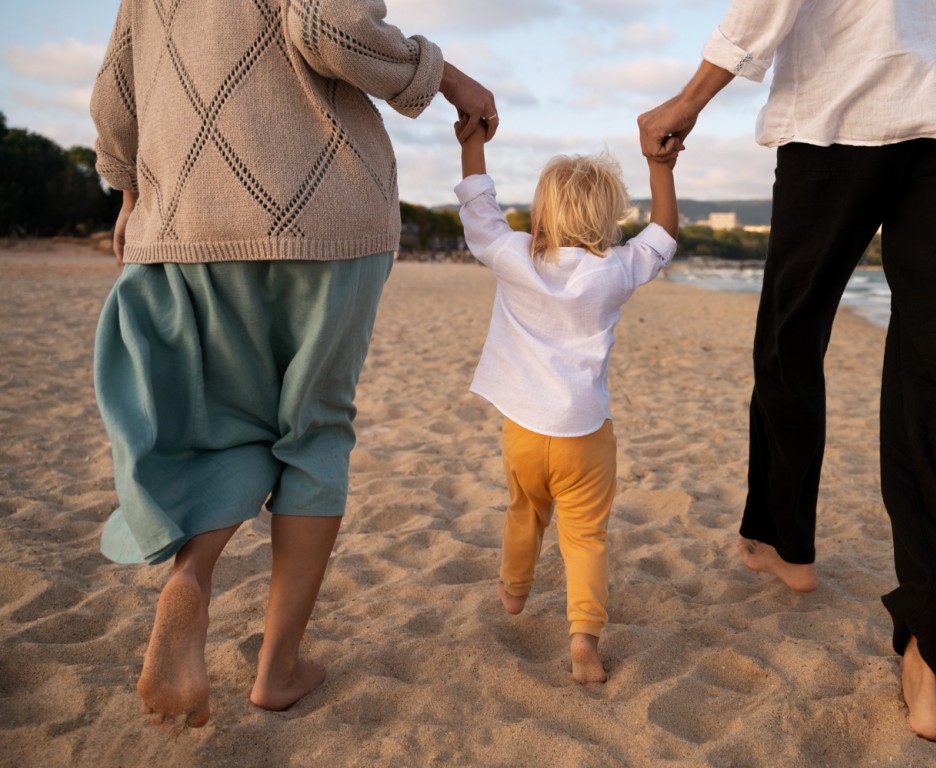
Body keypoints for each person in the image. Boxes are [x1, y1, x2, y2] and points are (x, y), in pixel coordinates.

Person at [90, 0, 497, 728]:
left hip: (188, 216)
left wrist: (127, 191)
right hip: (325, 214)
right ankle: (276, 670)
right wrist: (450, 79)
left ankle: (193, 576)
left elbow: (116, 88)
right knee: (312, 433)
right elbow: (330, 27)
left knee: (235, 429)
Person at [638, 0, 936, 741]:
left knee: (793, 333)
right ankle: (932, 663)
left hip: (842, 104)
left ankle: (786, 542)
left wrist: (690, 98)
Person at [454, 116, 679, 683]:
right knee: (585, 537)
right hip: (585, 434)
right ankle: (583, 639)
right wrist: (660, 167)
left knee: (523, 510)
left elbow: (479, 215)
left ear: (540, 215)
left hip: (524, 433)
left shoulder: (516, 257)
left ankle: (513, 590)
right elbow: (663, 235)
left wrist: (473, 142)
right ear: (608, 221)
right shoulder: (615, 269)